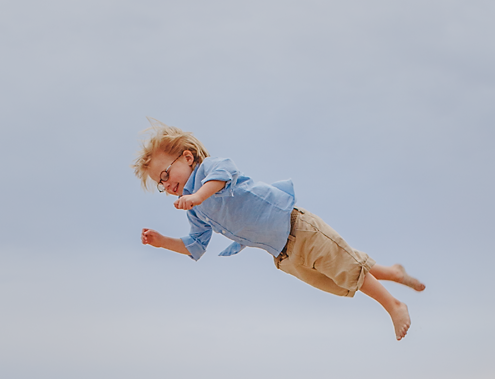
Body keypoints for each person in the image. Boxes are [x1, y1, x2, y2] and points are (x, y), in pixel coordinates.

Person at [134, 120, 425, 341]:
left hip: (298, 228)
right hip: (283, 255)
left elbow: (224, 175)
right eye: (161, 184)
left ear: (187, 158)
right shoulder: (195, 211)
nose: (166, 185)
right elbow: (195, 245)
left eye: (166, 174)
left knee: (345, 268)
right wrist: (163, 242)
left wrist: (197, 196)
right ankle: (392, 272)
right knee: (338, 274)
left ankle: (394, 305)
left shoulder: (210, 169)